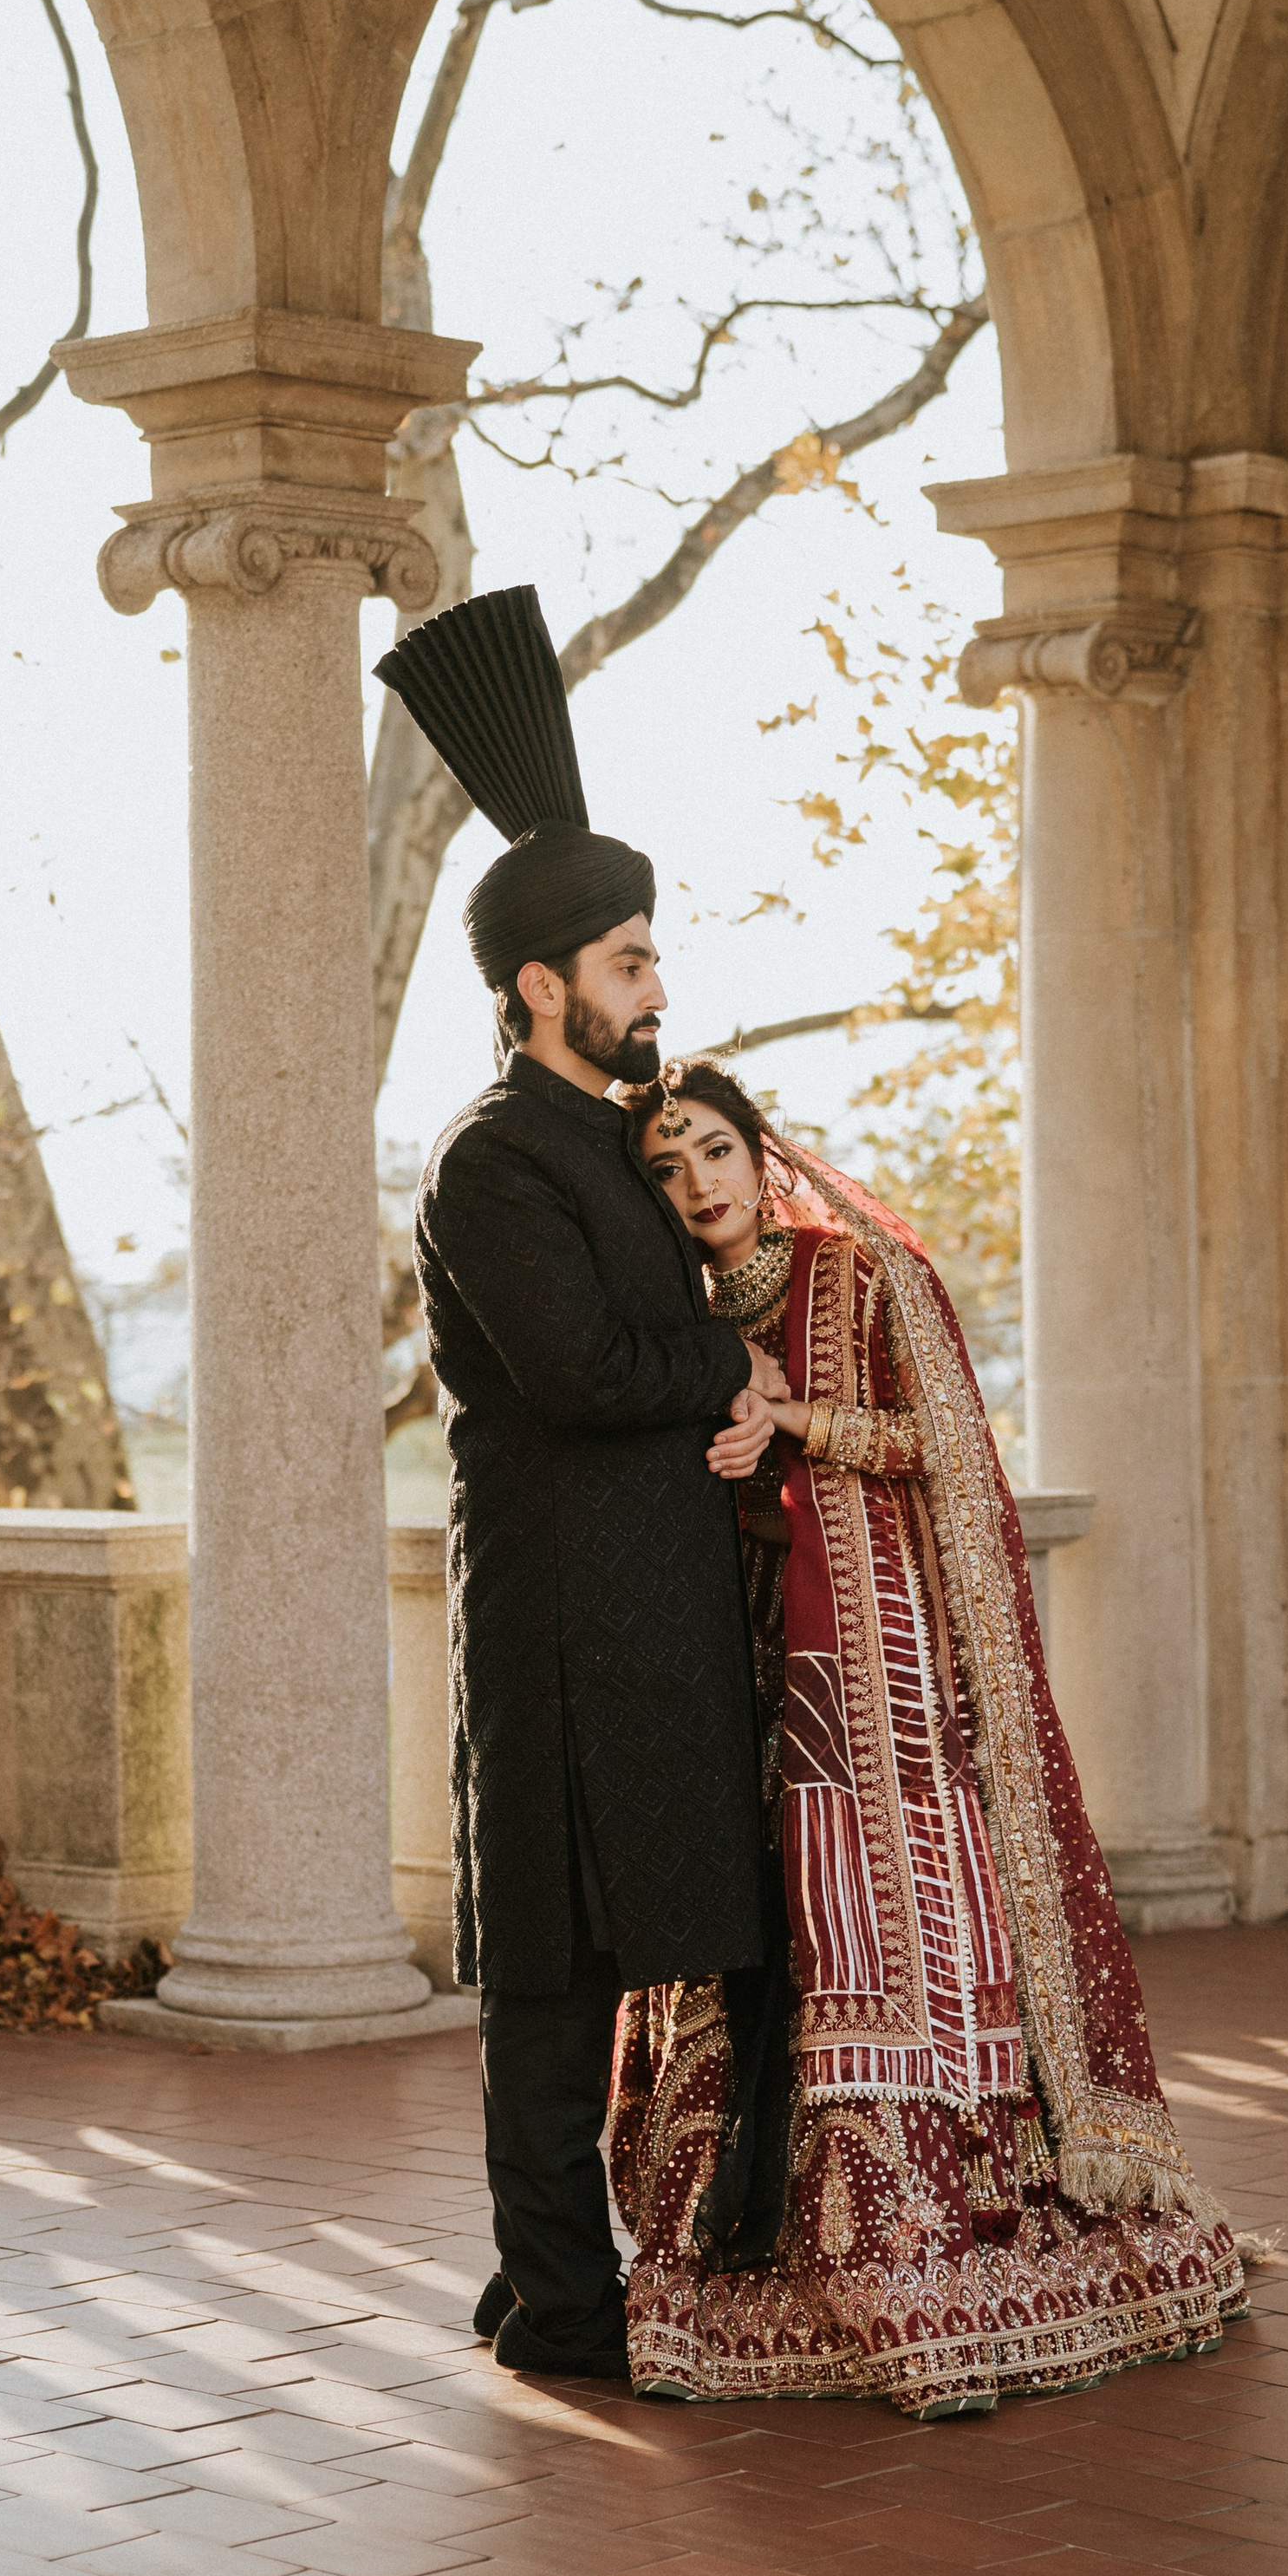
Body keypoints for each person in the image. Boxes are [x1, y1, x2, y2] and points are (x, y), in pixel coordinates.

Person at [611, 1059, 1246, 2415]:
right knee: (761, 1934)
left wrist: (801, 1424)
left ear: (756, 1150)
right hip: (733, 1667)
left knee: (883, 1929)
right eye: (665, 1171)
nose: (697, 1185)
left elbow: (952, 1447)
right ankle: (753, 2233)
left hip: (882, 1666)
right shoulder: (660, 1312)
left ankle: (934, 2232)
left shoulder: (861, 1276)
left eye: (714, 1151)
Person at [379, 587, 782, 2383]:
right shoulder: (488, 1165)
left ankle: (747, 2247)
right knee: (549, 1982)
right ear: (538, 985)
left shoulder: (615, 1139)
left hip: (670, 1603)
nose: (654, 989)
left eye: (648, 956)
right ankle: (556, 2301)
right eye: (627, 962)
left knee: (734, 1939)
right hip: (556, 1617)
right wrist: (728, 1368)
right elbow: (583, 1372)